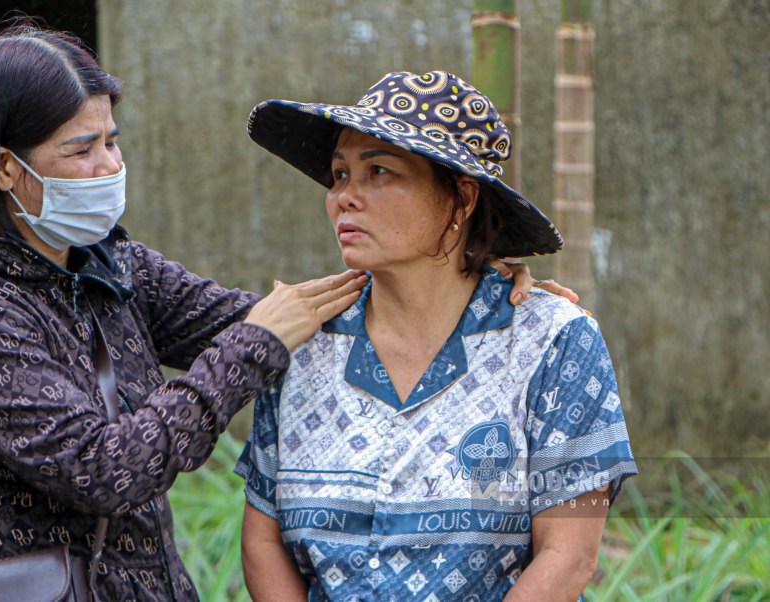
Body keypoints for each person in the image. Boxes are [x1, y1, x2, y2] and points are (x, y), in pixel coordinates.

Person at [0, 21, 563, 601]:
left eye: (111, 141)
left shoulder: (109, 265)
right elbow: (104, 469)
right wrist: (254, 346)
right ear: (7, 169)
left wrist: (461, 276)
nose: (108, 165)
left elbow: (285, 319)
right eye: (81, 150)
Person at [236, 71, 638, 602]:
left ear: (462, 198)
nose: (343, 198)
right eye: (339, 173)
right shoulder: (304, 340)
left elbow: (570, 557)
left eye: (378, 170)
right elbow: (262, 540)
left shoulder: (552, 341)